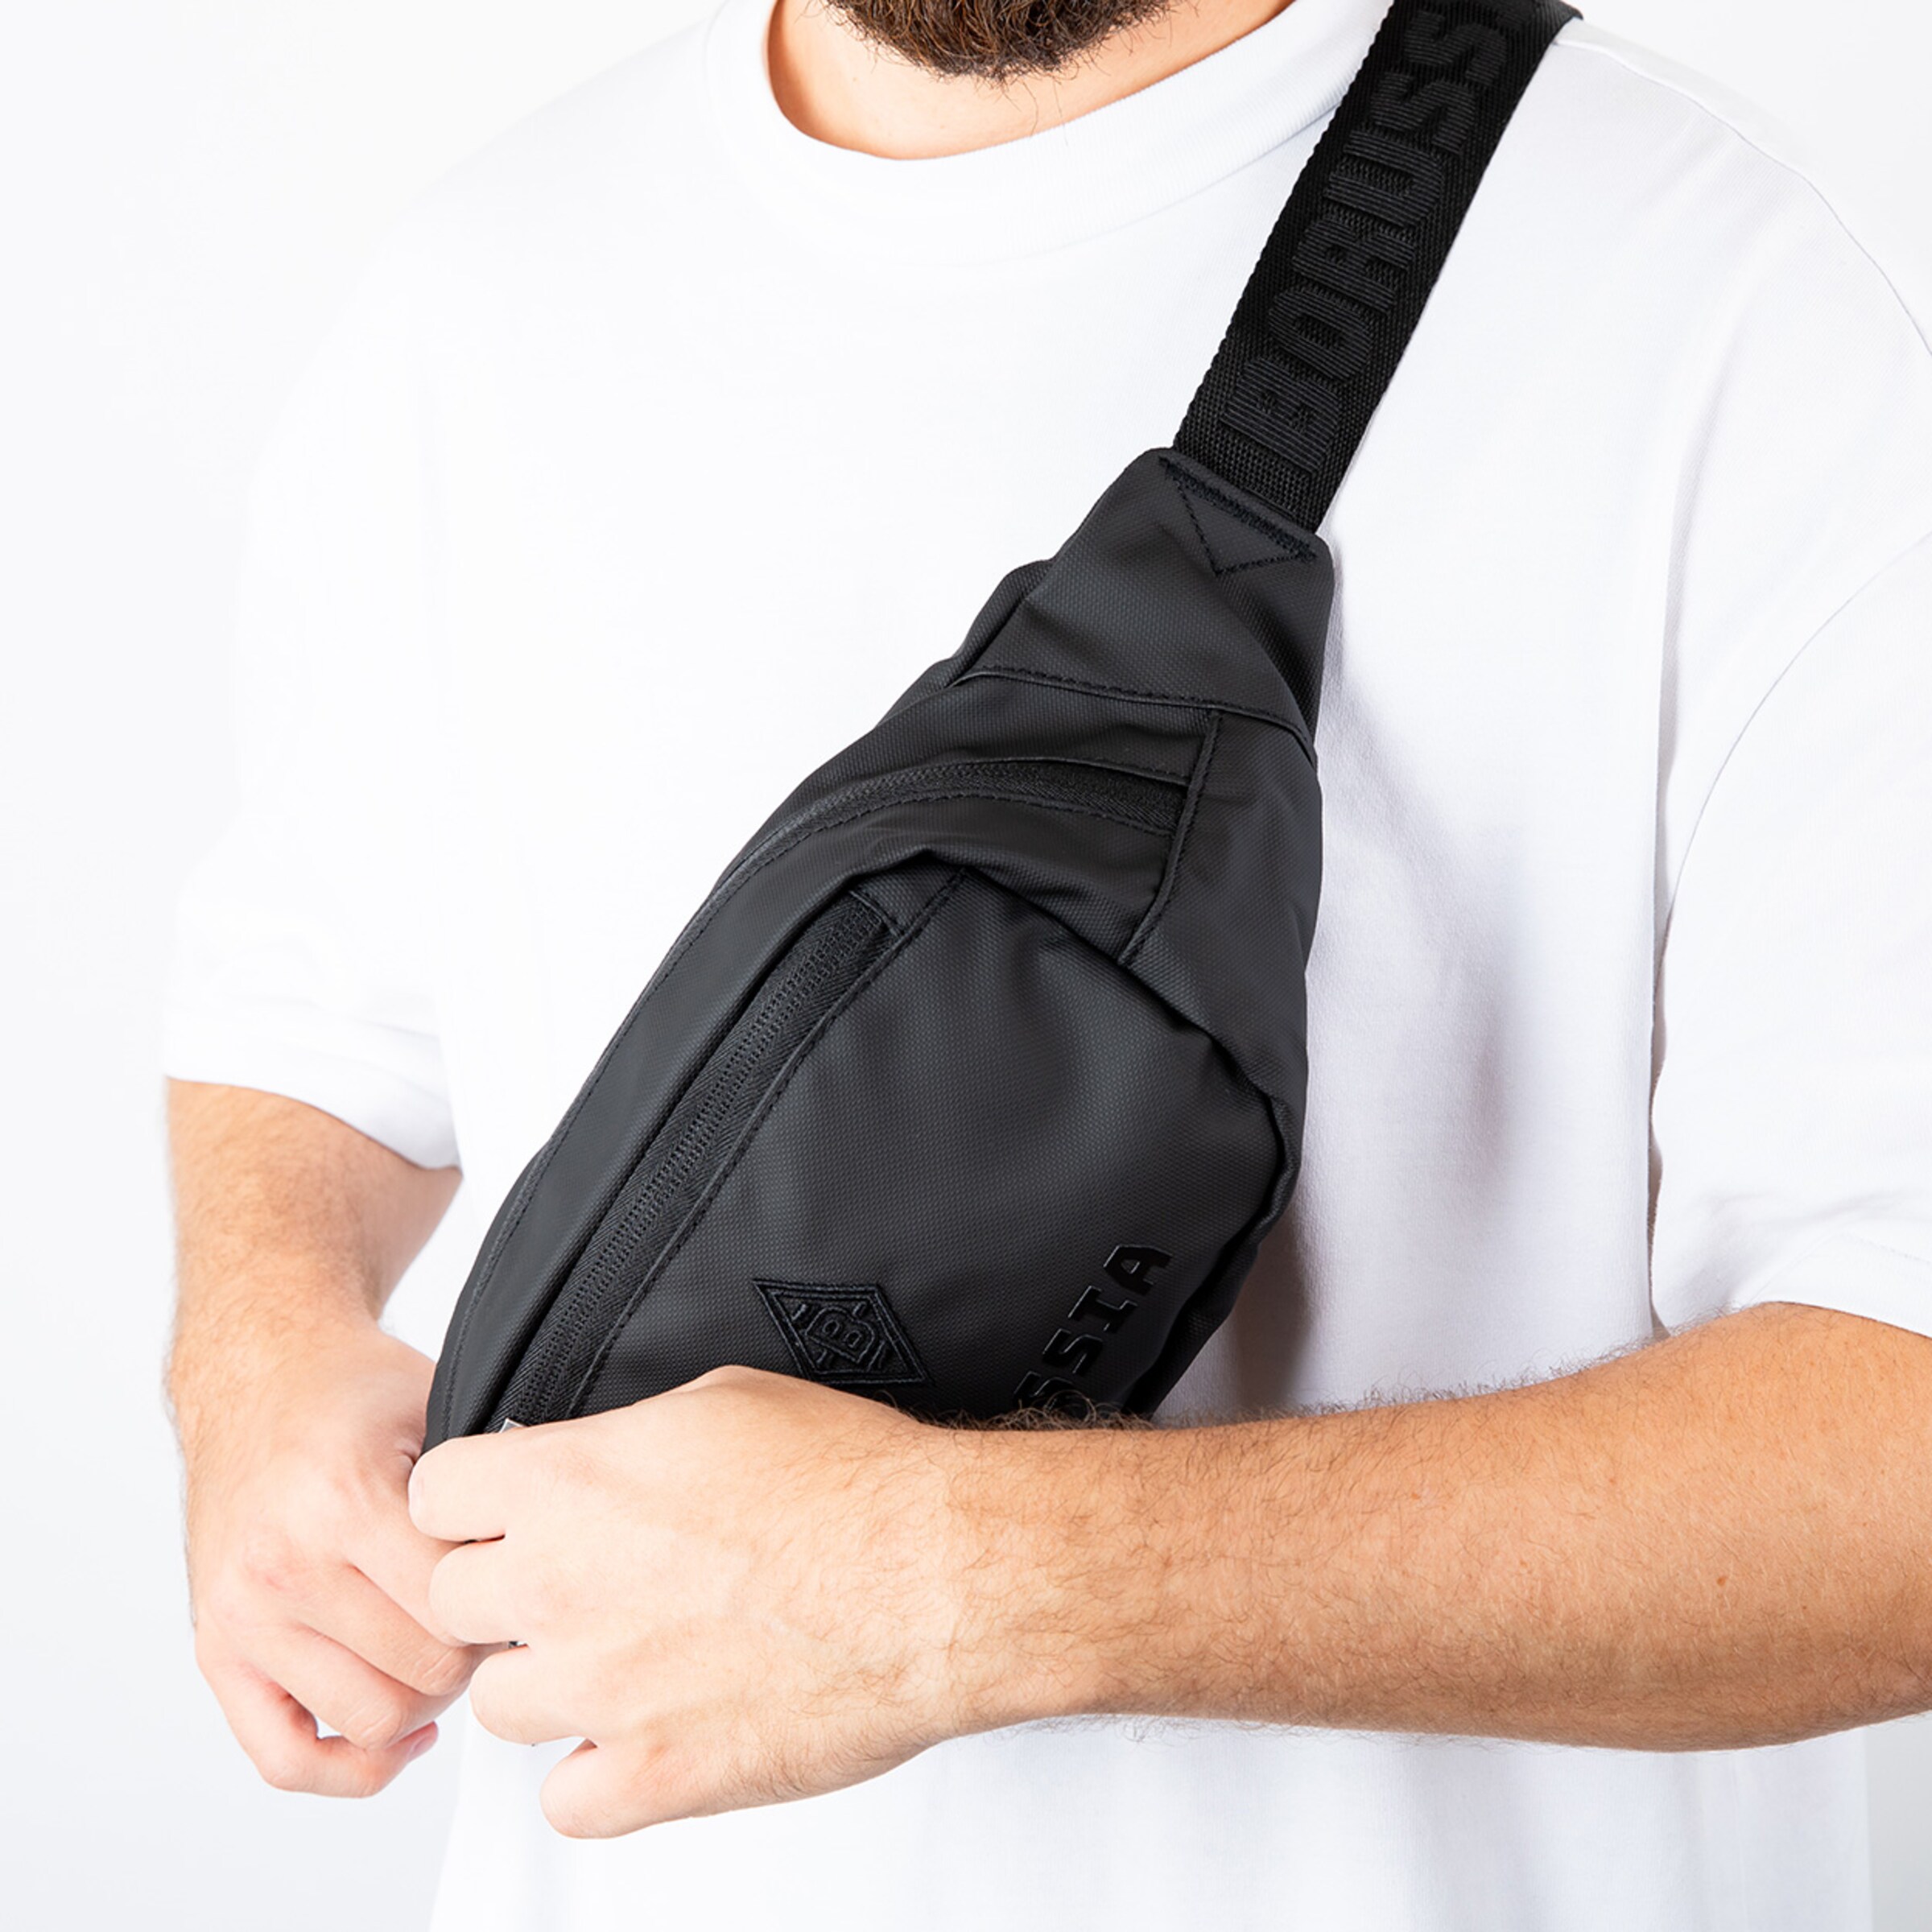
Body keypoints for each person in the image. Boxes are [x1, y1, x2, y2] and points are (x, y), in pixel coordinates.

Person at [163, 0, 1932, 1924]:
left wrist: (956, 1585)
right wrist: (257, 1351)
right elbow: (320, 1000)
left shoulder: (1721, 300)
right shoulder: (480, 292)